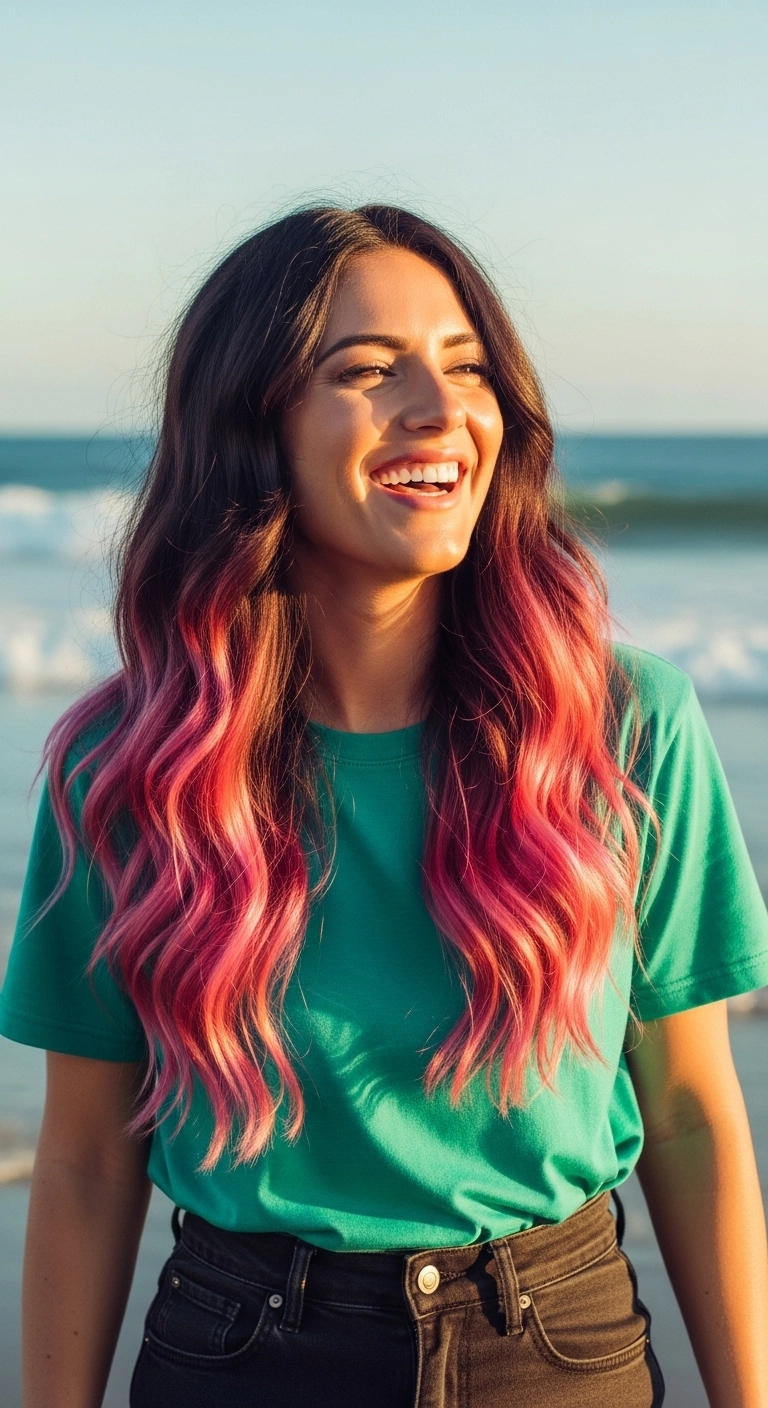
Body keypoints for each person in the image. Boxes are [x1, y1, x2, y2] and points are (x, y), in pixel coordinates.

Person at [1, 205, 767, 1408]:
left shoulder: (625, 727)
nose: (439, 407)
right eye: (366, 370)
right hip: (236, 1353)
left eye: (466, 367)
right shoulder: (124, 766)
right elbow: (93, 1161)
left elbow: (686, 1113)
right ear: (252, 429)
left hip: (558, 1352)